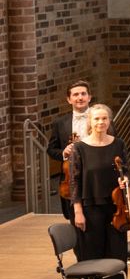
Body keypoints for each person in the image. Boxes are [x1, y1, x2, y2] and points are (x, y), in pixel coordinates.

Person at [66, 103, 130, 279]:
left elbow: (126, 171)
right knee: (91, 256)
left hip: (116, 208)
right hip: (89, 207)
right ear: (89, 122)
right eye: (96, 119)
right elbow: (74, 182)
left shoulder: (118, 144)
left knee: (117, 255)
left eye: (104, 118)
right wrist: (77, 211)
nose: (101, 122)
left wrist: (125, 181)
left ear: (109, 121)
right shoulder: (79, 148)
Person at [48, 80, 95, 219]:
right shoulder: (60, 123)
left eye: (83, 94)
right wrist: (63, 152)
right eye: (75, 95)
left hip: (94, 174)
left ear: (89, 97)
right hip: (70, 177)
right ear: (69, 99)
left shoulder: (100, 119)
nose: (80, 97)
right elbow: (51, 149)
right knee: (73, 218)